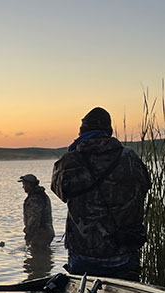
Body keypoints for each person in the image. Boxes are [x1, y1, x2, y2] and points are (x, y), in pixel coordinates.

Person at [51, 107, 151, 281]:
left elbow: (60, 191)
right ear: (109, 132)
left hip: (84, 254)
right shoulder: (130, 157)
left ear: (82, 132)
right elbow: (145, 186)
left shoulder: (71, 160)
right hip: (125, 252)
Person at [18, 174, 55, 248]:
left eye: (24, 184)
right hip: (47, 232)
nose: (23, 186)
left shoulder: (34, 199)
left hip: (40, 234)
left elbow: (34, 218)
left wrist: (29, 234)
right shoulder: (42, 195)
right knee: (44, 255)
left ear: (29, 184)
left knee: (36, 255)